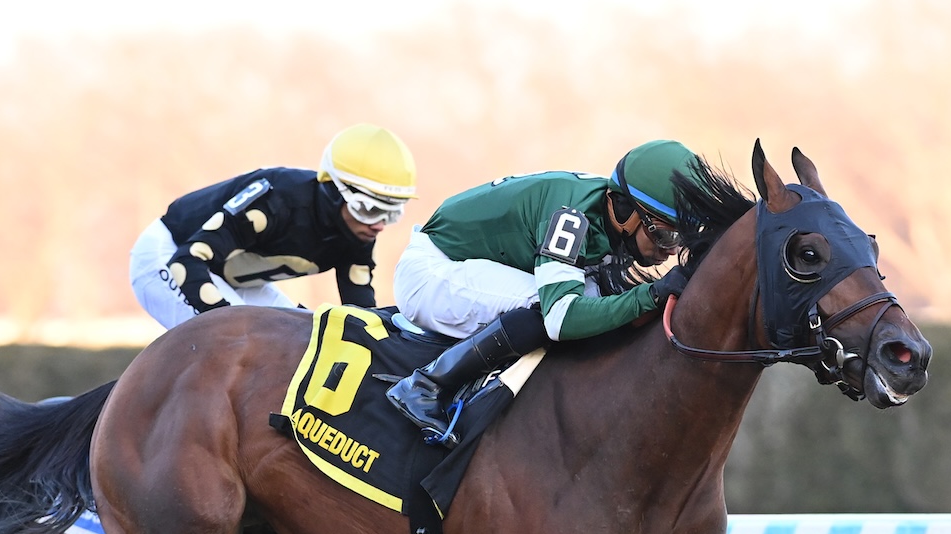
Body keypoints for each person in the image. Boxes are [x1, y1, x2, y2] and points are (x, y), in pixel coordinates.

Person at [385, 140, 698, 444]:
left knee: (598, 309)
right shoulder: (571, 218)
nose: (670, 252)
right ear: (626, 214)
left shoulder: (607, 211)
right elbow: (561, 318)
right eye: (667, 236)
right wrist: (650, 295)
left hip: (472, 265)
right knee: (551, 309)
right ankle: (426, 385)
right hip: (431, 273)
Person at [130, 124, 417, 330]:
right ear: (334, 190)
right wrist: (230, 326)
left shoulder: (358, 229)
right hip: (168, 255)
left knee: (303, 339)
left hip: (229, 276)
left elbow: (361, 318)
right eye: (368, 208)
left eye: (391, 213)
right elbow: (187, 261)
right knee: (239, 341)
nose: (379, 224)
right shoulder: (275, 202)